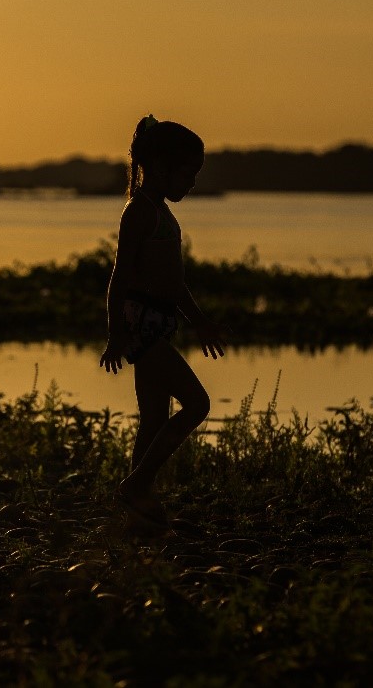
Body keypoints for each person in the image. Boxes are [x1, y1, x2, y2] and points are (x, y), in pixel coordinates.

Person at [100, 114, 227, 529]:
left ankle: (136, 502)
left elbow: (175, 282)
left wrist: (200, 321)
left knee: (154, 419)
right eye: (187, 173)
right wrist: (117, 333)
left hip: (159, 324)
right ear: (159, 168)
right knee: (198, 404)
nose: (191, 183)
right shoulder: (139, 212)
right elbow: (119, 278)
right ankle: (136, 485)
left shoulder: (162, 213)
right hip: (143, 327)